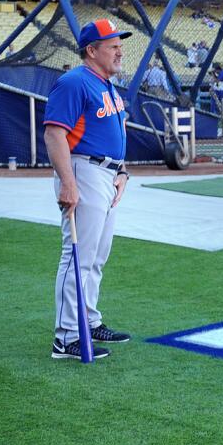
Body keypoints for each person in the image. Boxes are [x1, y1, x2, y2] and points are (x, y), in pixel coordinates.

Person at [43, 19, 135, 361]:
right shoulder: (74, 82)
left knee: (96, 256)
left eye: (119, 44)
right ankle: (67, 336)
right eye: (112, 45)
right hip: (83, 170)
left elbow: (117, 135)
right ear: (91, 50)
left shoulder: (107, 85)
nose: (119, 50)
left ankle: (88, 322)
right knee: (78, 255)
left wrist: (122, 170)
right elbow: (54, 134)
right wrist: (67, 181)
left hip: (106, 175)